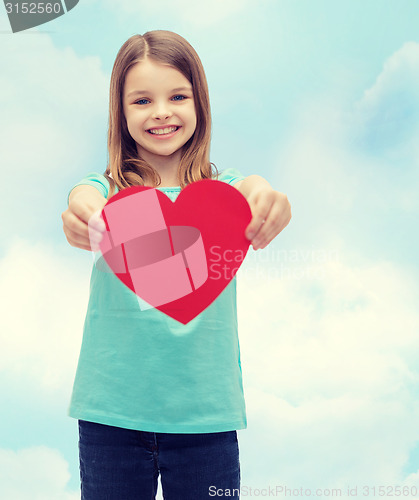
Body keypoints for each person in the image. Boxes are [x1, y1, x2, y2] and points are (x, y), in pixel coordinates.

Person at [61, 30, 291, 500]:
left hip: (206, 419)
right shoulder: (110, 192)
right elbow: (81, 199)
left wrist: (268, 194)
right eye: (142, 100)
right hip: (111, 418)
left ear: (199, 104)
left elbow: (255, 190)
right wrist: (81, 214)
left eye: (178, 96)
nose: (161, 111)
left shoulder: (224, 194)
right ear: (121, 114)